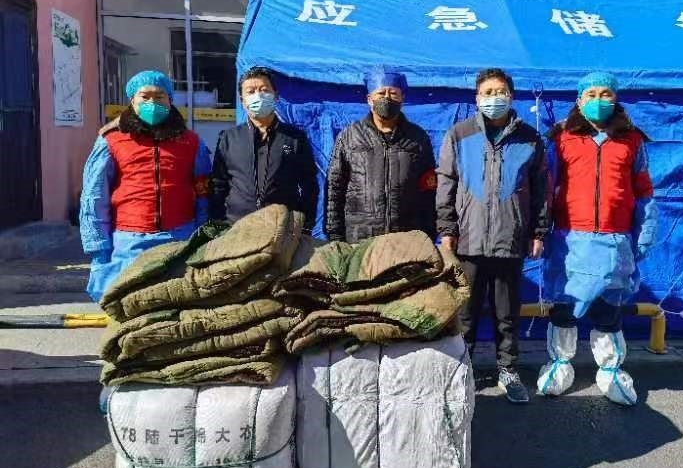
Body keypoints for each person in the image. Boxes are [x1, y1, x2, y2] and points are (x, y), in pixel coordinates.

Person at [537, 72, 657, 406]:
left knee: (608, 308)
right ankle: (560, 364)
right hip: (569, 241)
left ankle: (610, 369)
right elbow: (545, 188)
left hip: (614, 241)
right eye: (591, 94)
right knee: (565, 306)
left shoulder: (632, 140)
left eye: (606, 94)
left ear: (615, 99)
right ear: (579, 100)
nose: (598, 100)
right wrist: (540, 230)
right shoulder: (561, 138)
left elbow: (643, 191)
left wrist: (645, 232)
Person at [437, 68, 550, 404]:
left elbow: (541, 190)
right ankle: (463, 369)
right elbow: (446, 183)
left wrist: (538, 231)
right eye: (487, 92)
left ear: (511, 96)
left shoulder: (530, 138)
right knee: (465, 313)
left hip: (509, 239)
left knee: (507, 314)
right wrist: (447, 230)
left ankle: (508, 370)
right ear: (477, 98)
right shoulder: (459, 134)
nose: (494, 98)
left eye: (500, 92)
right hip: (468, 240)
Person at [79, 70, 212, 303]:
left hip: (180, 238)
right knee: (131, 306)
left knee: (175, 306)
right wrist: (99, 247)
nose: (152, 103)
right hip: (130, 242)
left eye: (159, 96)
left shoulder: (191, 141)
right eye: (145, 97)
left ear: (170, 100)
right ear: (132, 100)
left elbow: (204, 192)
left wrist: (202, 235)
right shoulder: (112, 140)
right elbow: (94, 195)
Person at [325, 67, 437, 243]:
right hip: (359, 238)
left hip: (405, 238)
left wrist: (429, 233)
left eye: (393, 93)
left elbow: (429, 190)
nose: (387, 98)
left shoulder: (418, 138)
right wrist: (334, 235)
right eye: (381, 93)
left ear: (402, 98)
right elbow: (334, 188)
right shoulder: (350, 137)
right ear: (369, 99)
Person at [209, 66, 319, 232]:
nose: (258, 96)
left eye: (264, 90)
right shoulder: (229, 138)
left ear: (276, 96)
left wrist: (304, 225)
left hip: (282, 229)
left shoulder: (295, 138)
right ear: (242, 101)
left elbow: (309, 185)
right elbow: (218, 185)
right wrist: (219, 225)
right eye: (251, 91)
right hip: (237, 229)